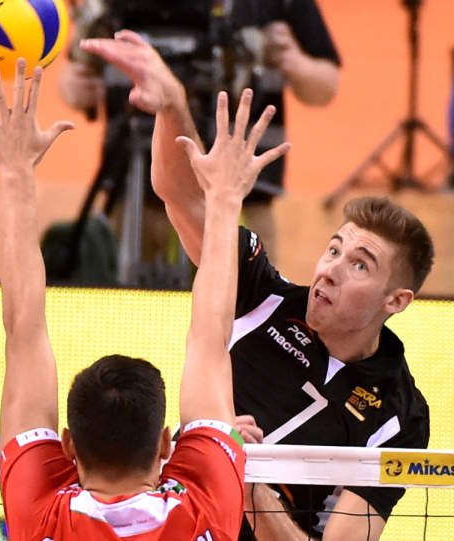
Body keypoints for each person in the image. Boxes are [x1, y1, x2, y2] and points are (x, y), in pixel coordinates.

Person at [82, 32, 434, 541]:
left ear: (396, 301)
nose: (330, 269)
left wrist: (245, 475)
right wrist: (173, 106)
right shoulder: (263, 293)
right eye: (333, 249)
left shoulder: (399, 417)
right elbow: (181, 195)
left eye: (360, 265)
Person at [0, 58, 289, 541]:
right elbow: (210, 338)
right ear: (165, 445)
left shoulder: (40, 516)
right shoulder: (204, 507)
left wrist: (16, 174)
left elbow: (23, 331)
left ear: (68, 446)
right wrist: (224, 200)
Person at [60, 0, 340, 266]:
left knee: (247, 305)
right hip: (132, 192)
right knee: (123, 306)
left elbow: (325, 87)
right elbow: (74, 78)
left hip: (242, 200)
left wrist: (295, 61)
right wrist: (76, 85)